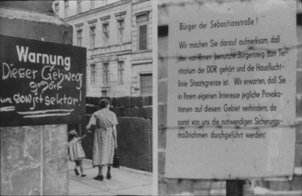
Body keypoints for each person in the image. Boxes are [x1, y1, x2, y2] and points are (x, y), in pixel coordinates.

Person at [86, 98, 118, 181]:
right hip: (109, 134)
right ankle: (108, 172)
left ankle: (100, 174)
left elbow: (88, 126)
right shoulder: (112, 114)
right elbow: (114, 129)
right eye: (109, 104)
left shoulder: (96, 113)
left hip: (99, 135)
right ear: (107, 105)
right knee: (110, 152)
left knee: (100, 152)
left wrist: (89, 131)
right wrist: (115, 141)